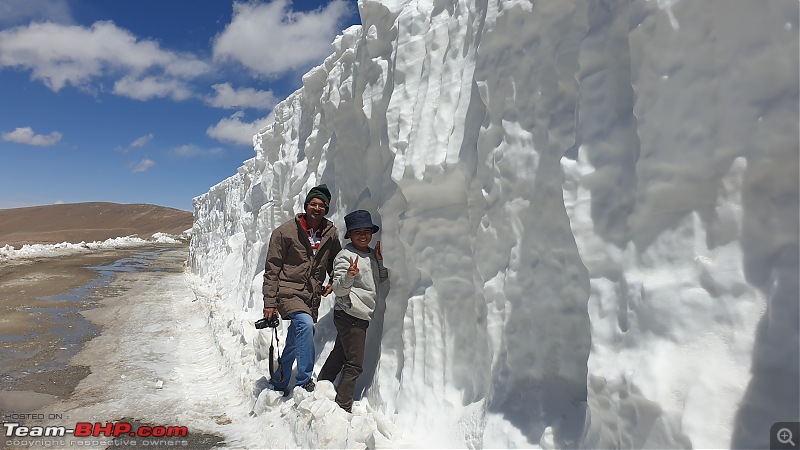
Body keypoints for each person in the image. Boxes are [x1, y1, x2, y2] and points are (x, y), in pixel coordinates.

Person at [262, 184, 342, 395]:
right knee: (306, 326)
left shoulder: (330, 234)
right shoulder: (285, 232)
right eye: (313, 204)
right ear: (306, 205)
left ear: (326, 208)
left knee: (296, 337)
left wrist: (334, 280)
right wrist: (270, 301)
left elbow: (337, 261)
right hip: (288, 291)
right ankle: (304, 380)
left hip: (311, 295)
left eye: (322, 205)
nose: (317, 208)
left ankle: (280, 380)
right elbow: (272, 269)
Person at [318, 209, 389, 412]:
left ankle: (323, 386)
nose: (364, 235)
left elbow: (380, 279)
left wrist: (380, 260)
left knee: (340, 354)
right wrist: (349, 275)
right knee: (355, 364)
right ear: (350, 234)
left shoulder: (369, 255)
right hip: (351, 315)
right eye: (358, 232)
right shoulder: (345, 257)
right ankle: (343, 405)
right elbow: (339, 289)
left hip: (358, 314)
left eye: (367, 231)